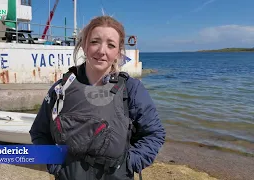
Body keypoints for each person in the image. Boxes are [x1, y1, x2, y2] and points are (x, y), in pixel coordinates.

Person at [29, 15, 166, 180]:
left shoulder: (131, 89)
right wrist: (55, 165)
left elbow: (153, 134)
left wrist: (129, 163)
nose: (102, 51)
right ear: (84, 46)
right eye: (95, 42)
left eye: (111, 45)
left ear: (118, 52)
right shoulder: (61, 88)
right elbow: (39, 131)